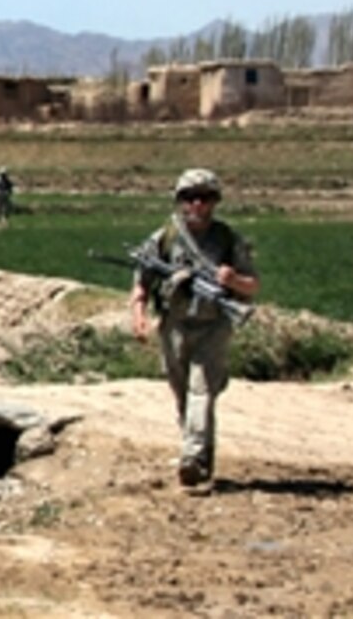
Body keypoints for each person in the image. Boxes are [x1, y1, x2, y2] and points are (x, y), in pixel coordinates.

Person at [129, 169, 259, 491]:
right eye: (190, 197)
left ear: (214, 202)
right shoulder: (165, 238)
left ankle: (192, 455)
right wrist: (139, 314)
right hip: (174, 325)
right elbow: (142, 282)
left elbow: (252, 285)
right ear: (180, 201)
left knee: (202, 388)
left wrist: (231, 280)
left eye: (205, 197)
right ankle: (202, 457)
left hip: (213, 324)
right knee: (182, 392)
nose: (197, 204)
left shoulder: (228, 239)